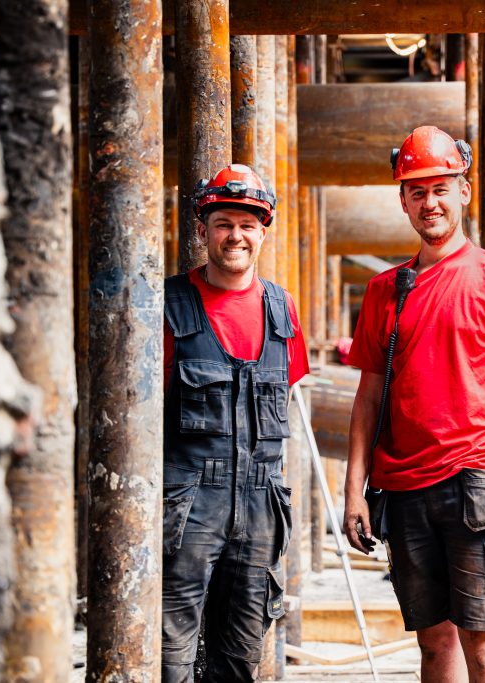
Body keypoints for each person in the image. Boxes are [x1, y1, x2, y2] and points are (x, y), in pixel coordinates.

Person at [343, 126, 485, 683]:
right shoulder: (385, 291)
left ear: (463, 192)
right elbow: (368, 396)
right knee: (434, 647)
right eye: (418, 191)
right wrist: (354, 489)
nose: (431, 202)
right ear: (403, 200)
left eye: (441, 188)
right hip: (405, 490)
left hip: (479, 482)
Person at [161, 164, 309, 682]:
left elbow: (286, 393)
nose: (236, 235)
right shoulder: (169, 305)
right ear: (202, 230)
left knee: (239, 656)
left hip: (261, 505)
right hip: (187, 505)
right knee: (170, 653)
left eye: (248, 225)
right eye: (224, 223)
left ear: (263, 232)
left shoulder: (281, 310)